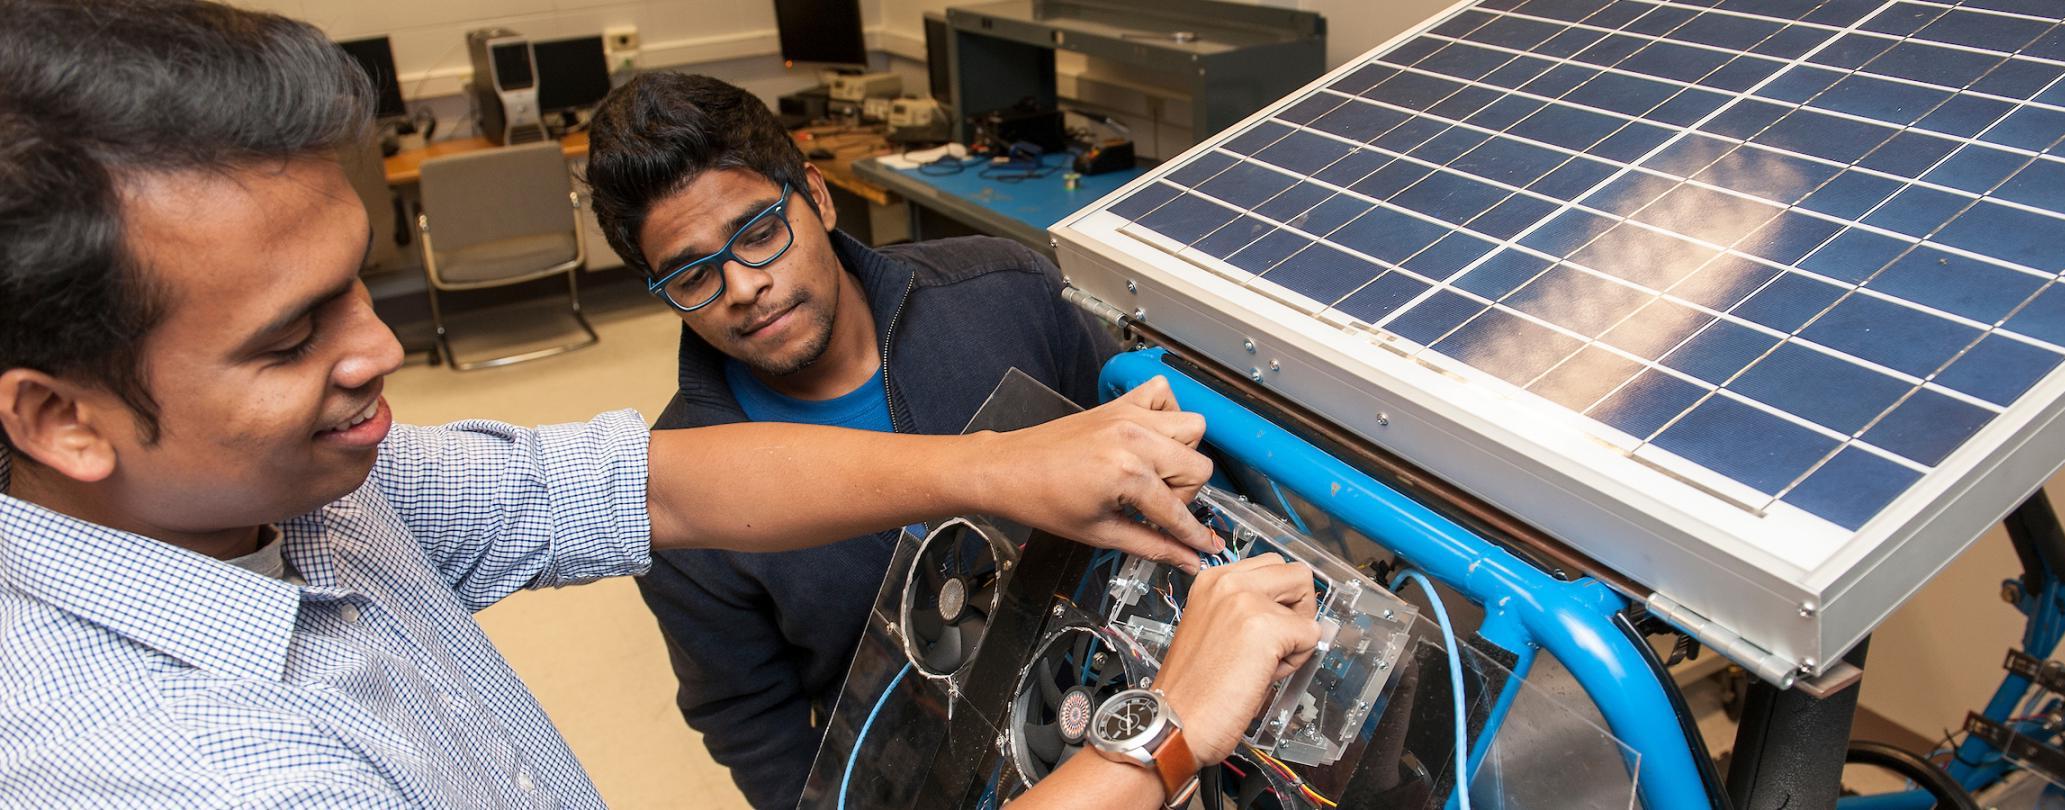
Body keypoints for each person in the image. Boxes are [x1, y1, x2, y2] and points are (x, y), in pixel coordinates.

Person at [0, 0, 1320, 807]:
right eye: (294, 334)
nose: (381, 355)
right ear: (61, 416)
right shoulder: (177, 774)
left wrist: (995, 469)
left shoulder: (317, 483)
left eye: (365, 289)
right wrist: (1172, 734)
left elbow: (665, 483)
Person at [580, 73, 1120, 808]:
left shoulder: (1011, 295)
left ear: (819, 196)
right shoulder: (678, 497)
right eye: (691, 275)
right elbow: (752, 721)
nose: (741, 287)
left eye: (761, 232)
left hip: (1128, 695)